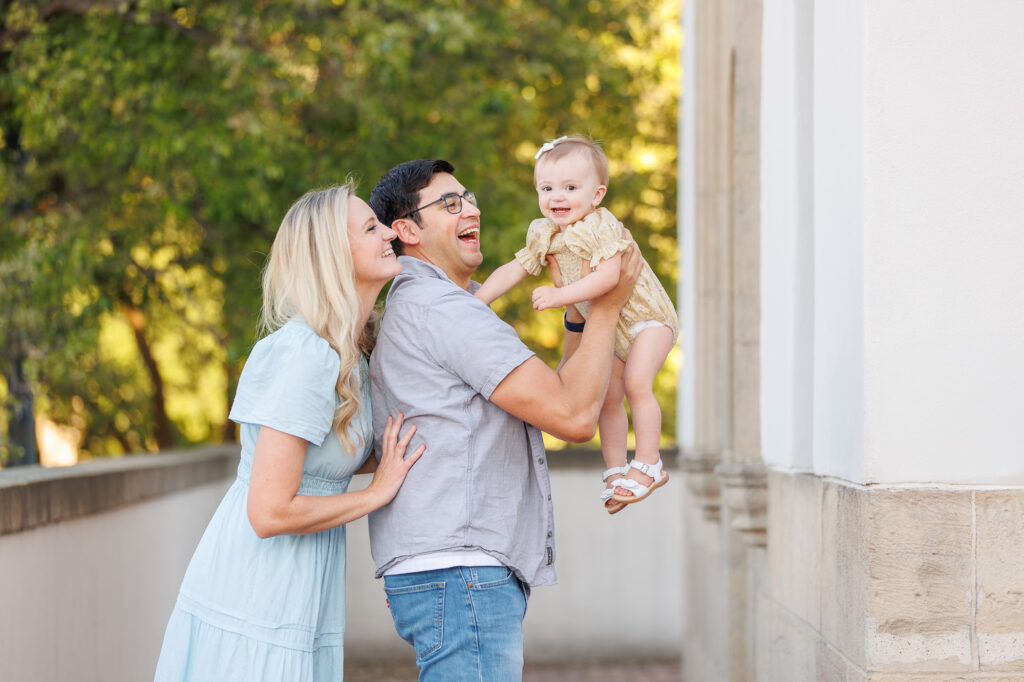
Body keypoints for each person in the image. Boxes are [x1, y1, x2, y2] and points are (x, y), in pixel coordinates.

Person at [366, 159, 642, 681]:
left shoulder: (426, 305)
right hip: (461, 567)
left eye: (468, 197)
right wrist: (608, 306)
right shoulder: (444, 310)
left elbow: (564, 394)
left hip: (449, 565)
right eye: (448, 204)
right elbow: (575, 415)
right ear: (406, 230)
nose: (470, 208)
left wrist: (579, 310)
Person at [154, 183, 424, 682]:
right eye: (370, 228)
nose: (389, 231)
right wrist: (378, 492)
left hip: (306, 581)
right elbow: (269, 510)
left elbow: (330, 457)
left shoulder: (353, 353)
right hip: (257, 583)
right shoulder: (304, 355)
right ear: (331, 255)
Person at [475, 136, 679, 514]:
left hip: (648, 319)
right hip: (614, 326)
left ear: (597, 194)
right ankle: (617, 472)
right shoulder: (545, 233)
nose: (558, 197)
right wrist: (478, 302)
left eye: (571, 188)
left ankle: (649, 463)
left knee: (637, 383)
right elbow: (514, 268)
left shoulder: (601, 225)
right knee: (607, 396)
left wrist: (560, 296)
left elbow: (609, 279)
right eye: (547, 188)